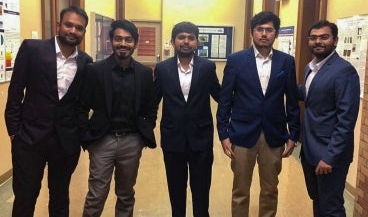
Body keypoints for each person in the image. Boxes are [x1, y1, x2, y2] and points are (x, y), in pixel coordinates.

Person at [4, 6, 92, 217]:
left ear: (84, 32)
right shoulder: (33, 49)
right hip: (29, 139)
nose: (73, 31)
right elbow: (16, 92)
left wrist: (79, 136)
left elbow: (82, 104)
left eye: (79, 28)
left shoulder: (86, 62)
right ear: (59, 25)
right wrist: (14, 132)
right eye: (69, 25)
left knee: (60, 197)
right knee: (26, 195)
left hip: (65, 142)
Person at [216, 11, 300, 216]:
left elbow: (292, 100)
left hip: (274, 134)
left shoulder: (286, 62)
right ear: (252, 33)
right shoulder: (236, 60)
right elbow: (225, 98)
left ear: (276, 34)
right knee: (240, 190)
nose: (264, 34)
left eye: (269, 30)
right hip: (242, 133)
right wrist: (223, 134)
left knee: (270, 190)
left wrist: (293, 134)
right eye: (259, 29)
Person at [77, 19, 157, 217]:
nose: (123, 44)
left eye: (128, 40)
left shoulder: (145, 73)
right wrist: (87, 136)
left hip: (131, 141)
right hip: (102, 140)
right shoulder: (95, 71)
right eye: (118, 39)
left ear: (135, 43)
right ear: (110, 41)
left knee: (126, 194)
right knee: (96, 195)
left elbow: (150, 107)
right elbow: (82, 107)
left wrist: (143, 133)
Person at [154, 21, 220, 217]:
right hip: (172, 139)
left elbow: (220, 95)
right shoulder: (162, 68)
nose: (186, 41)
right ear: (174, 41)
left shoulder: (207, 67)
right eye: (181, 37)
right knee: (176, 190)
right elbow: (152, 100)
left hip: (201, 139)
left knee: (201, 190)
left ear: (197, 42)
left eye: (191, 38)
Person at [299, 20, 360, 216]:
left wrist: (330, 157)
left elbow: (346, 121)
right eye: (314, 38)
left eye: (324, 37)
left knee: (331, 207)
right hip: (309, 150)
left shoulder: (344, 71)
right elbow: (309, 94)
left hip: (329, 154)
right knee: (318, 200)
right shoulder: (311, 67)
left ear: (335, 41)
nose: (318, 41)